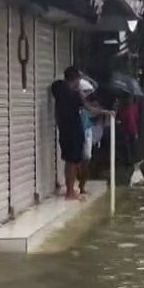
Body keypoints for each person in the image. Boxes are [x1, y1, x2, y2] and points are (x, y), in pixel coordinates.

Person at [51, 68, 107, 200]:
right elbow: (89, 108)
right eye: (78, 80)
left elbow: (57, 84)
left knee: (68, 160)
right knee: (73, 161)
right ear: (75, 79)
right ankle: (70, 192)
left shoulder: (59, 89)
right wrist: (106, 112)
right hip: (74, 130)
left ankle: (70, 190)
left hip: (64, 129)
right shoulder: (75, 94)